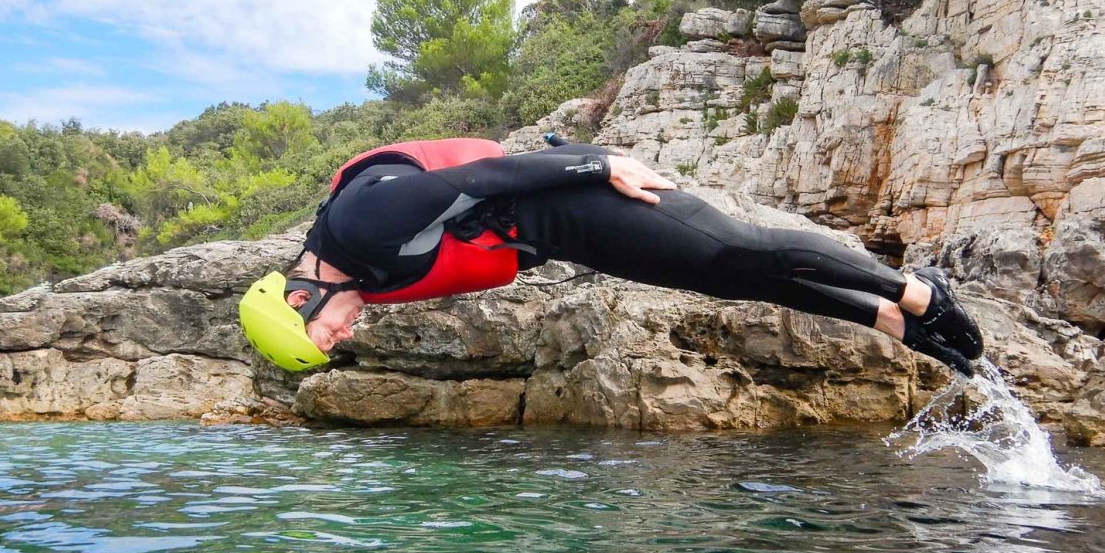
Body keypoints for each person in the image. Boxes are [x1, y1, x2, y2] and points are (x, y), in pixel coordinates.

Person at [238, 137, 983, 376]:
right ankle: (890, 319)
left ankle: (917, 290)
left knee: (735, 248)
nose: (343, 337)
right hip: (571, 235)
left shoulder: (361, 222)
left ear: (301, 297)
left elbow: (485, 178)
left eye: (324, 335)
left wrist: (599, 167)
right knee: (729, 281)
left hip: (582, 193)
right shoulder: (364, 277)